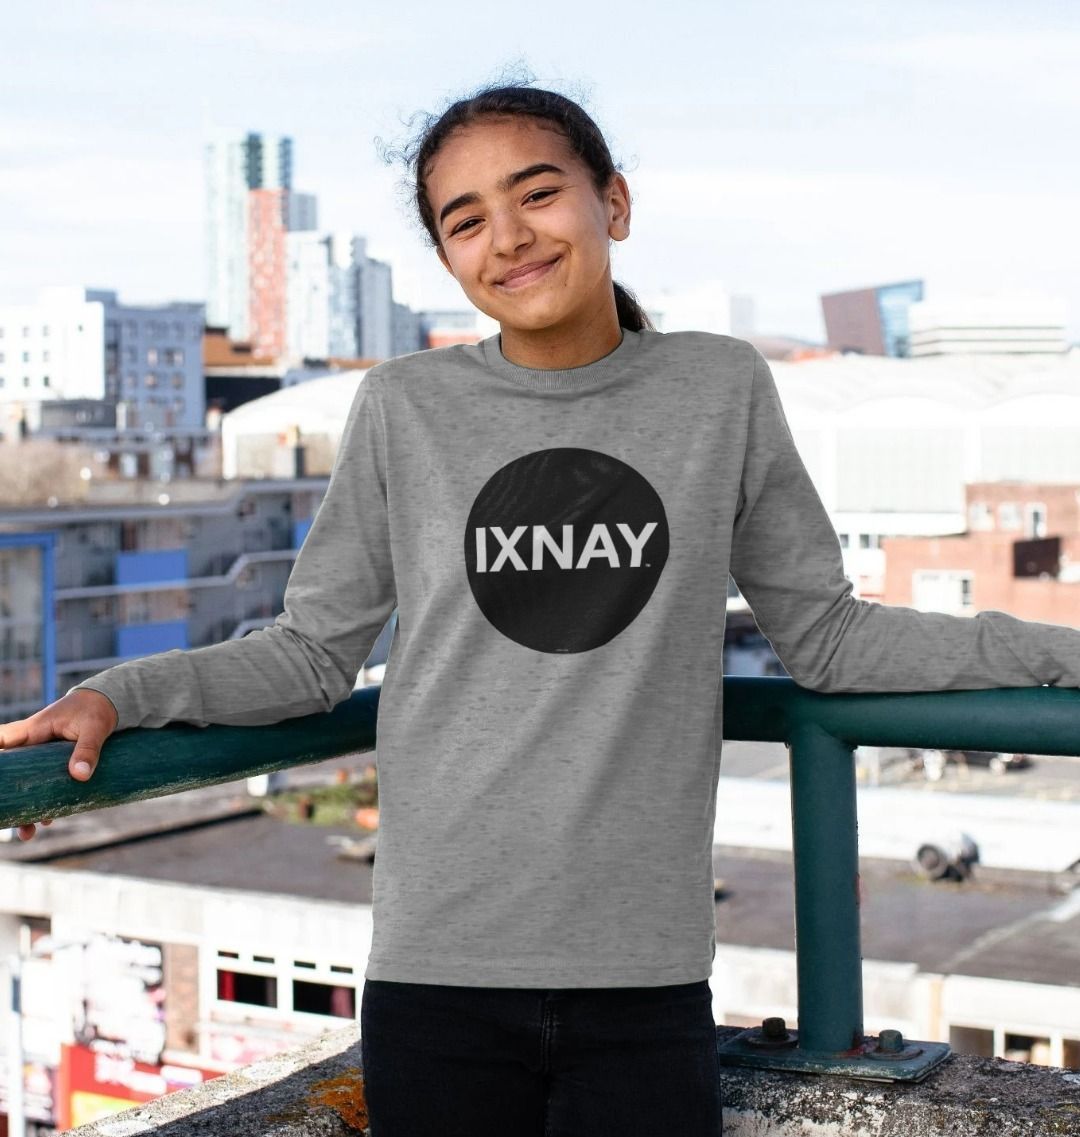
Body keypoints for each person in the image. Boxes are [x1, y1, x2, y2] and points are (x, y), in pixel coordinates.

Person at [3, 81, 1080, 1136]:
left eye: (537, 194)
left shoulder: (719, 390)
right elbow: (307, 657)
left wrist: (1058, 654)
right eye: (465, 220)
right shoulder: (404, 409)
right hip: (436, 974)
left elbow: (832, 638)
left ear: (612, 203)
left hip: (644, 976)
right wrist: (116, 693)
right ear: (445, 258)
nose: (508, 237)